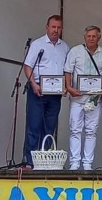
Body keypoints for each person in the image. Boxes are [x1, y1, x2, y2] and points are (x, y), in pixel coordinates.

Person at [22, 14, 69, 168]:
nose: (56, 30)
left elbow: (67, 71)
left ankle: (45, 162)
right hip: (38, 91)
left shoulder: (65, 47)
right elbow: (27, 66)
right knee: (34, 126)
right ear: (47, 27)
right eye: (53, 27)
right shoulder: (38, 44)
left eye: (59, 27)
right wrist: (33, 84)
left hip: (55, 95)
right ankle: (29, 162)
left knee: (49, 127)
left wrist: (65, 87)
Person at [63, 25, 102, 170]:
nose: (91, 39)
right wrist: (69, 88)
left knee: (91, 131)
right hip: (77, 98)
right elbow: (67, 71)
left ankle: (87, 164)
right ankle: (74, 163)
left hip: (94, 99)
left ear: (99, 37)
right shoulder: (75, 51)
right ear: (84, 37)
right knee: (75, 130)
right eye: (88, 36)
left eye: (94, 36)